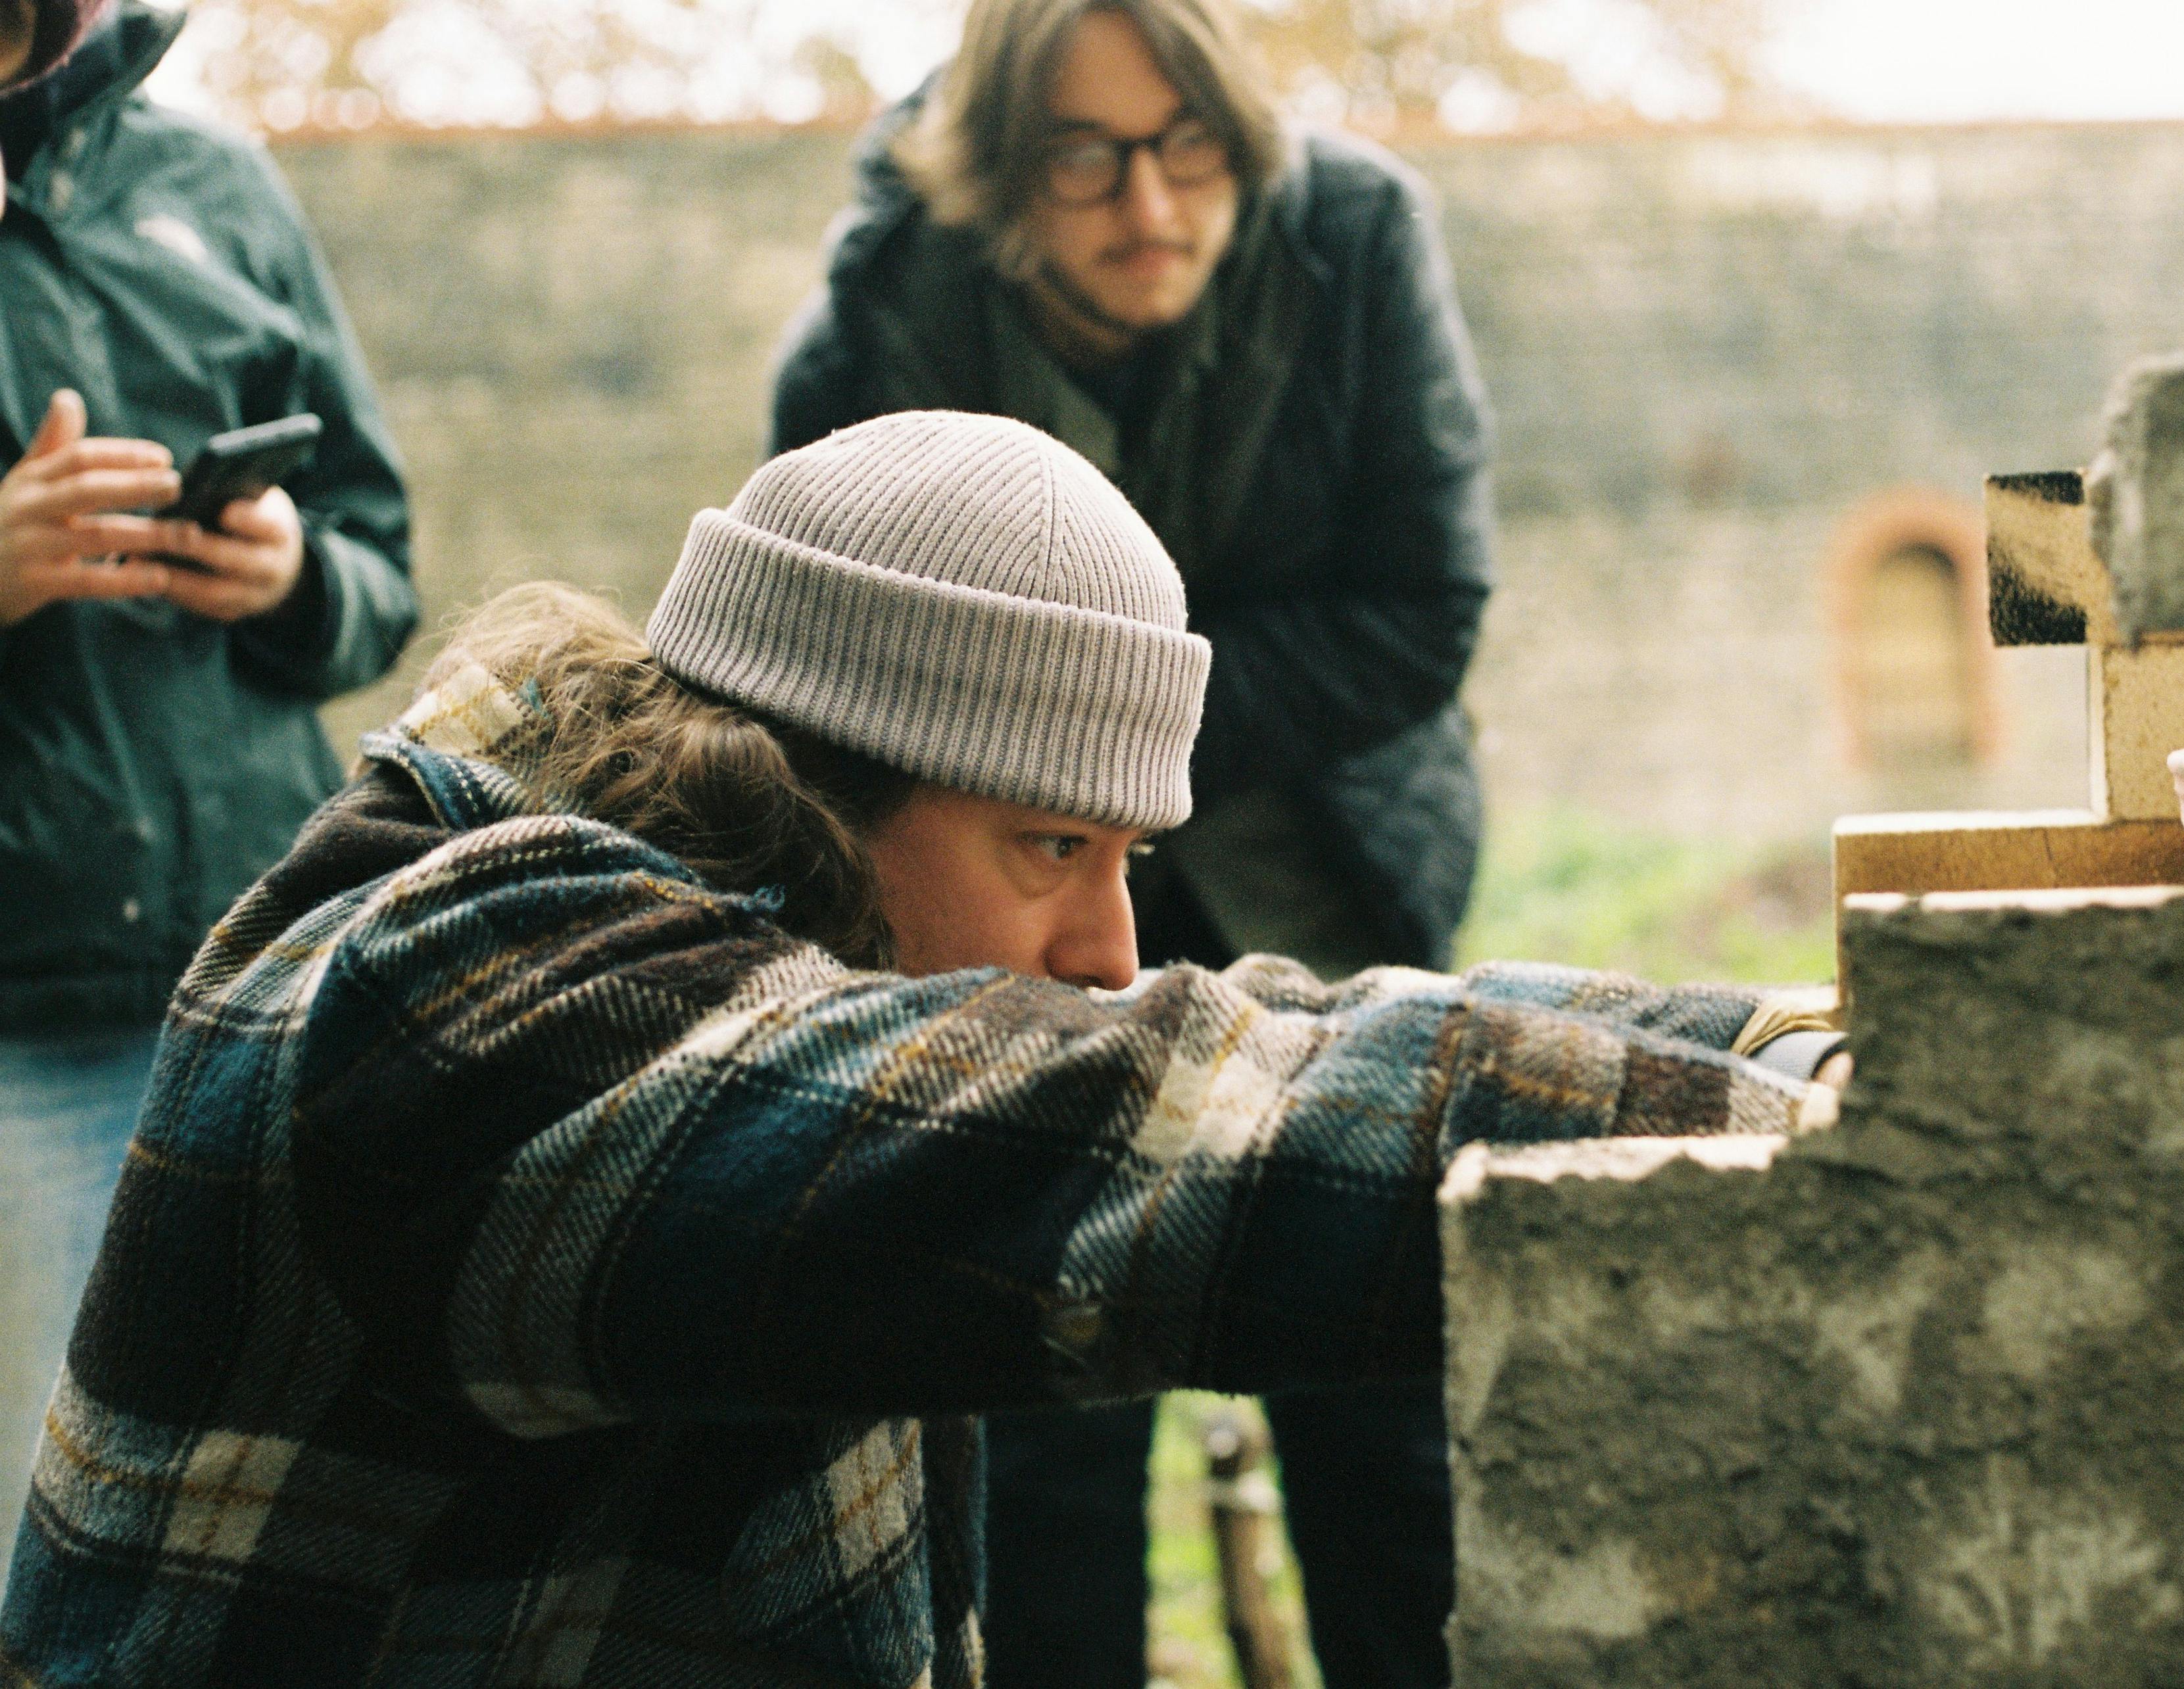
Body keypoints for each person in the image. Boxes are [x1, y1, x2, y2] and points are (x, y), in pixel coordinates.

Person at [0, 411, 1840, 1688]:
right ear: (807, 782)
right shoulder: (473, 1010)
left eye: (1131, 860)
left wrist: (1815, 1048)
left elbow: (1276, 1026)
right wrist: (1828, 1153)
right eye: (1055, 845)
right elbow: (1149, 1133)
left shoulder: (763, 960)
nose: (1114, 946)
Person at [768, 3, 1497, 1677]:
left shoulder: (1363, 236)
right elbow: (820, 665)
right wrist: (1042, 795)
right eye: (1085, 160)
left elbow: (1424, 602)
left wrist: (1107, 743)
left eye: (1188, 152)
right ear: (1000, 167)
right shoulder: (892, 297)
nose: (1150, 209)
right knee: (1039, 1406)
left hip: (1324, 873)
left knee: (1379, 1382)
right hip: (996, 919)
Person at [0, 0, 417, 1579]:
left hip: (275, 976)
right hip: (22, 1027)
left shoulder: (225, 182)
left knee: (293, 1510)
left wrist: (298, 572)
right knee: (46, 1538)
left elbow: (385, 566)